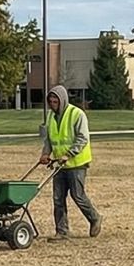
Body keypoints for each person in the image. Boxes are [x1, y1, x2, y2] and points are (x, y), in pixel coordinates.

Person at [38, 85, 102, 239]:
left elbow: (82, 138)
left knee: (77, 195)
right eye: (50, 100)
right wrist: (46, 154)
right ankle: (62, 231)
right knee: (58, 198)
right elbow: (49, 139)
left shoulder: (77, 114)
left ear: (63, 100)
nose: (52, 102)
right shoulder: (51, 117)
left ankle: (95, 218)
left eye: (55, 100)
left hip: (77, 163)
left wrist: (69, 154)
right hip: (60, 165)